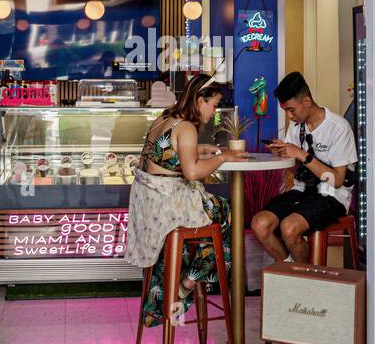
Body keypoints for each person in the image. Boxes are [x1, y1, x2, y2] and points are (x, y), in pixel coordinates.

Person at [123, 74, 248, 326]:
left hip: (151, 206)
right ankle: (186, 284)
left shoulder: (166, 117)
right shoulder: (187, 127)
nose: (214, 112)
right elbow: (192, 172)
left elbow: (164, 152)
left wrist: (206, 150)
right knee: (226, 214)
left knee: (209, 222)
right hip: (169, 206)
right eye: (213, 105)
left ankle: (157, 304)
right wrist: (222, 158)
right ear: (200, 100)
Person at [252, 71, 358, 264]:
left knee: (289, 228)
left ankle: (304, 281)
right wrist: (284, 154)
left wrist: (301, 154)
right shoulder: (296, 126)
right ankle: (292, 269)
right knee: (260, 224)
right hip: (302, 191)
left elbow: (337, 180)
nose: (289, 116)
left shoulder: (339, 127)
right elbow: (296, 172)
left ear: (307, 102)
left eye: (291, 109)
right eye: (285, 110)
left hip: (332, 196)